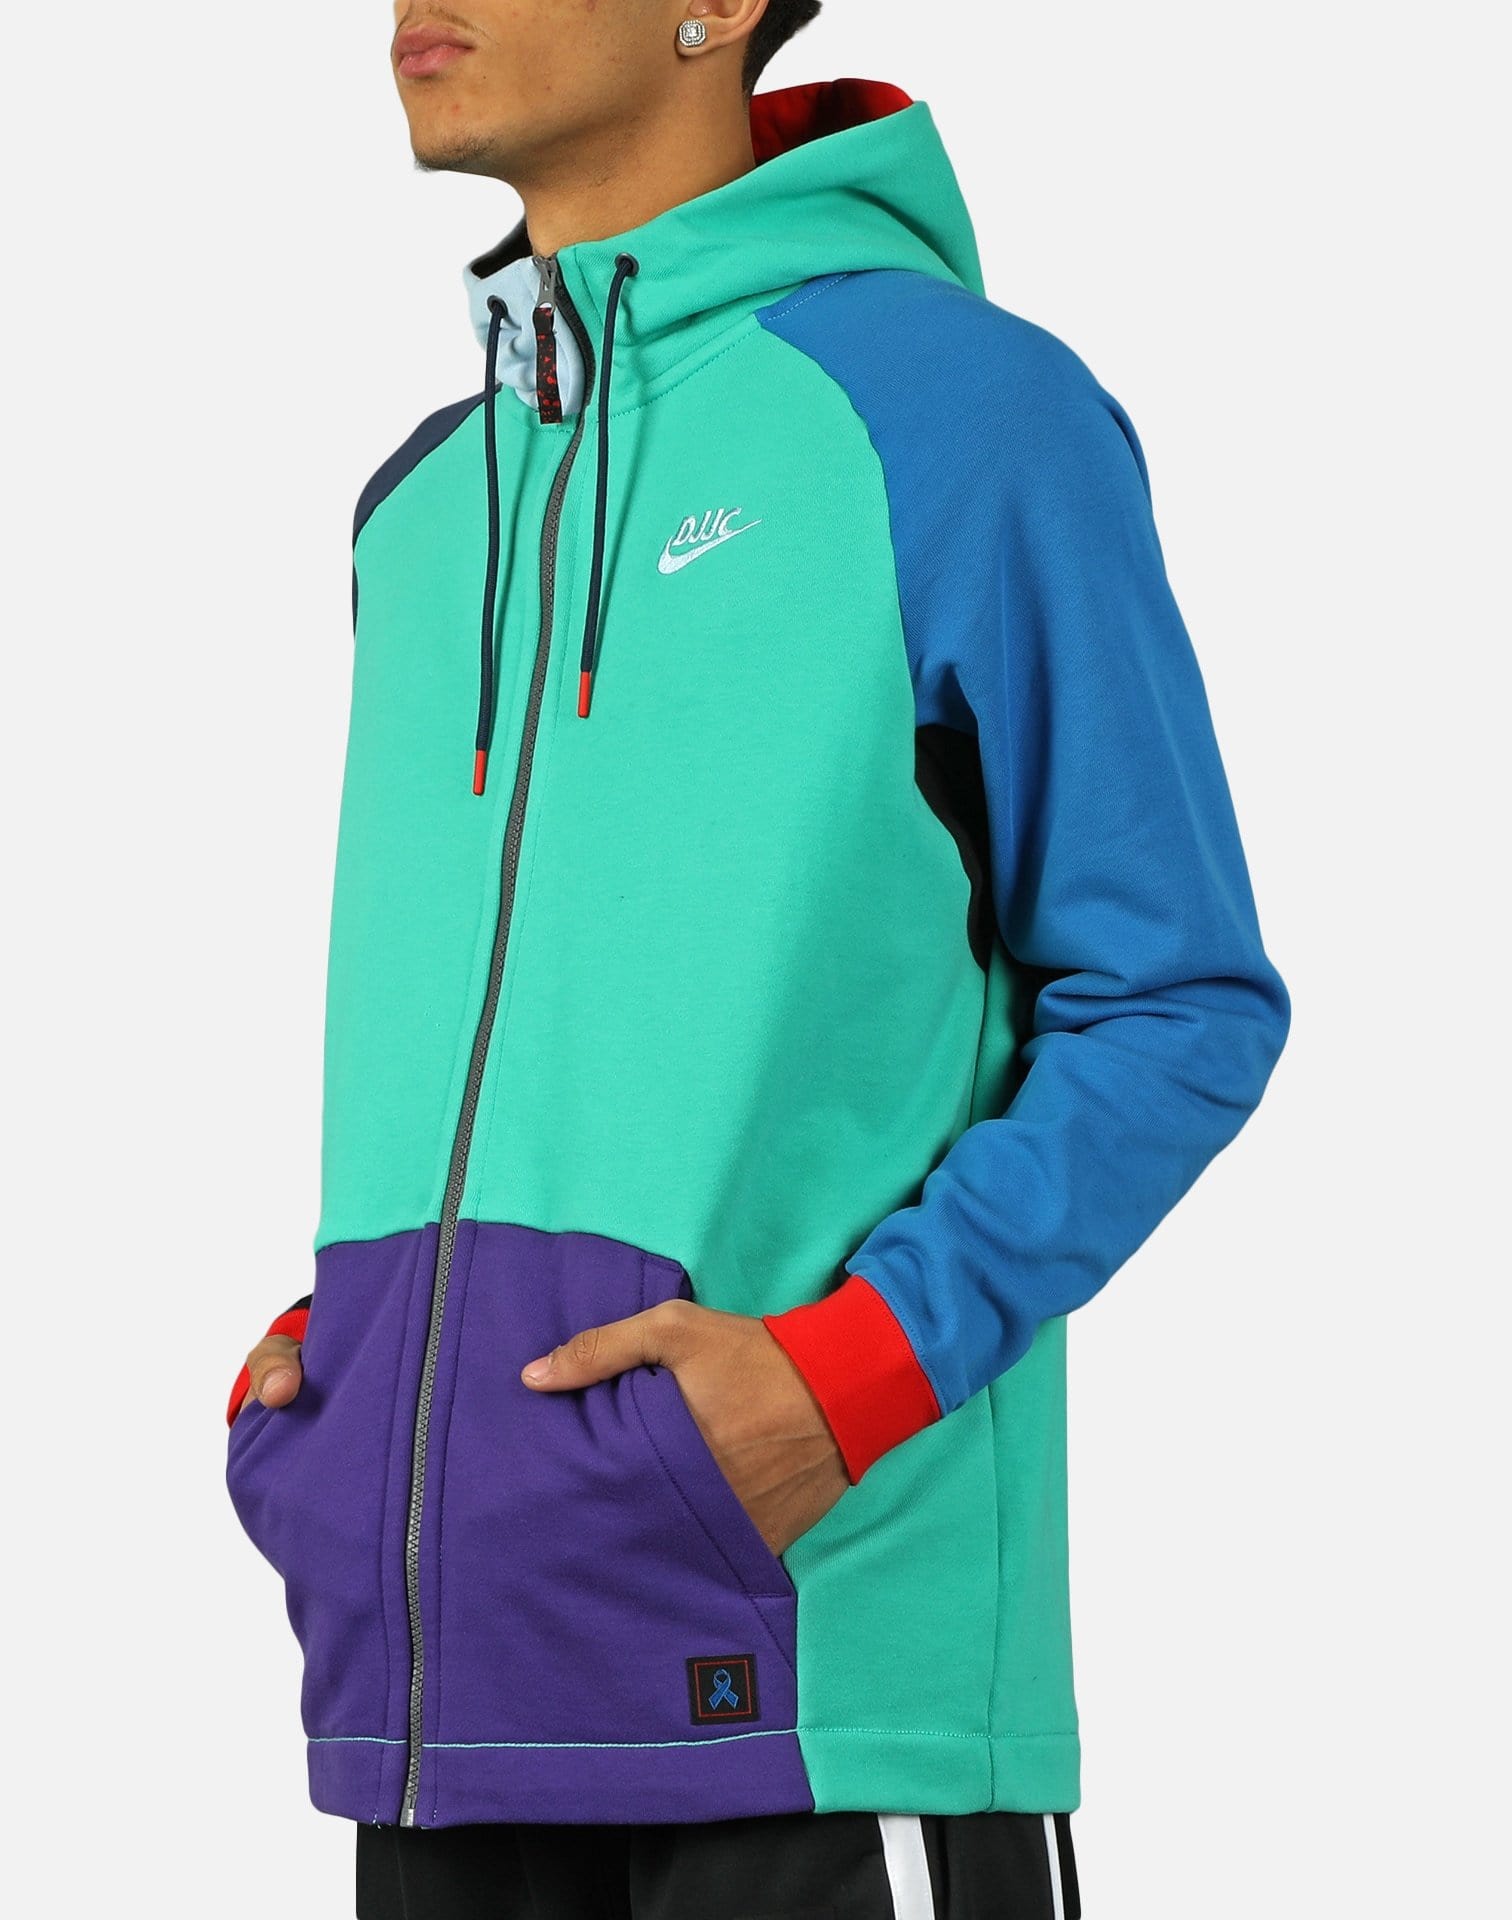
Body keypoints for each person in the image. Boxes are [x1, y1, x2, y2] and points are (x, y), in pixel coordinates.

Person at [225, 3, 1290, 1914]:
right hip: (434, 1724)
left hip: (817, 1694)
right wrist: (350, 1378)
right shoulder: (422, 509)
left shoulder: (958, 415)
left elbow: (1177, 1001)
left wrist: (844, 1379)